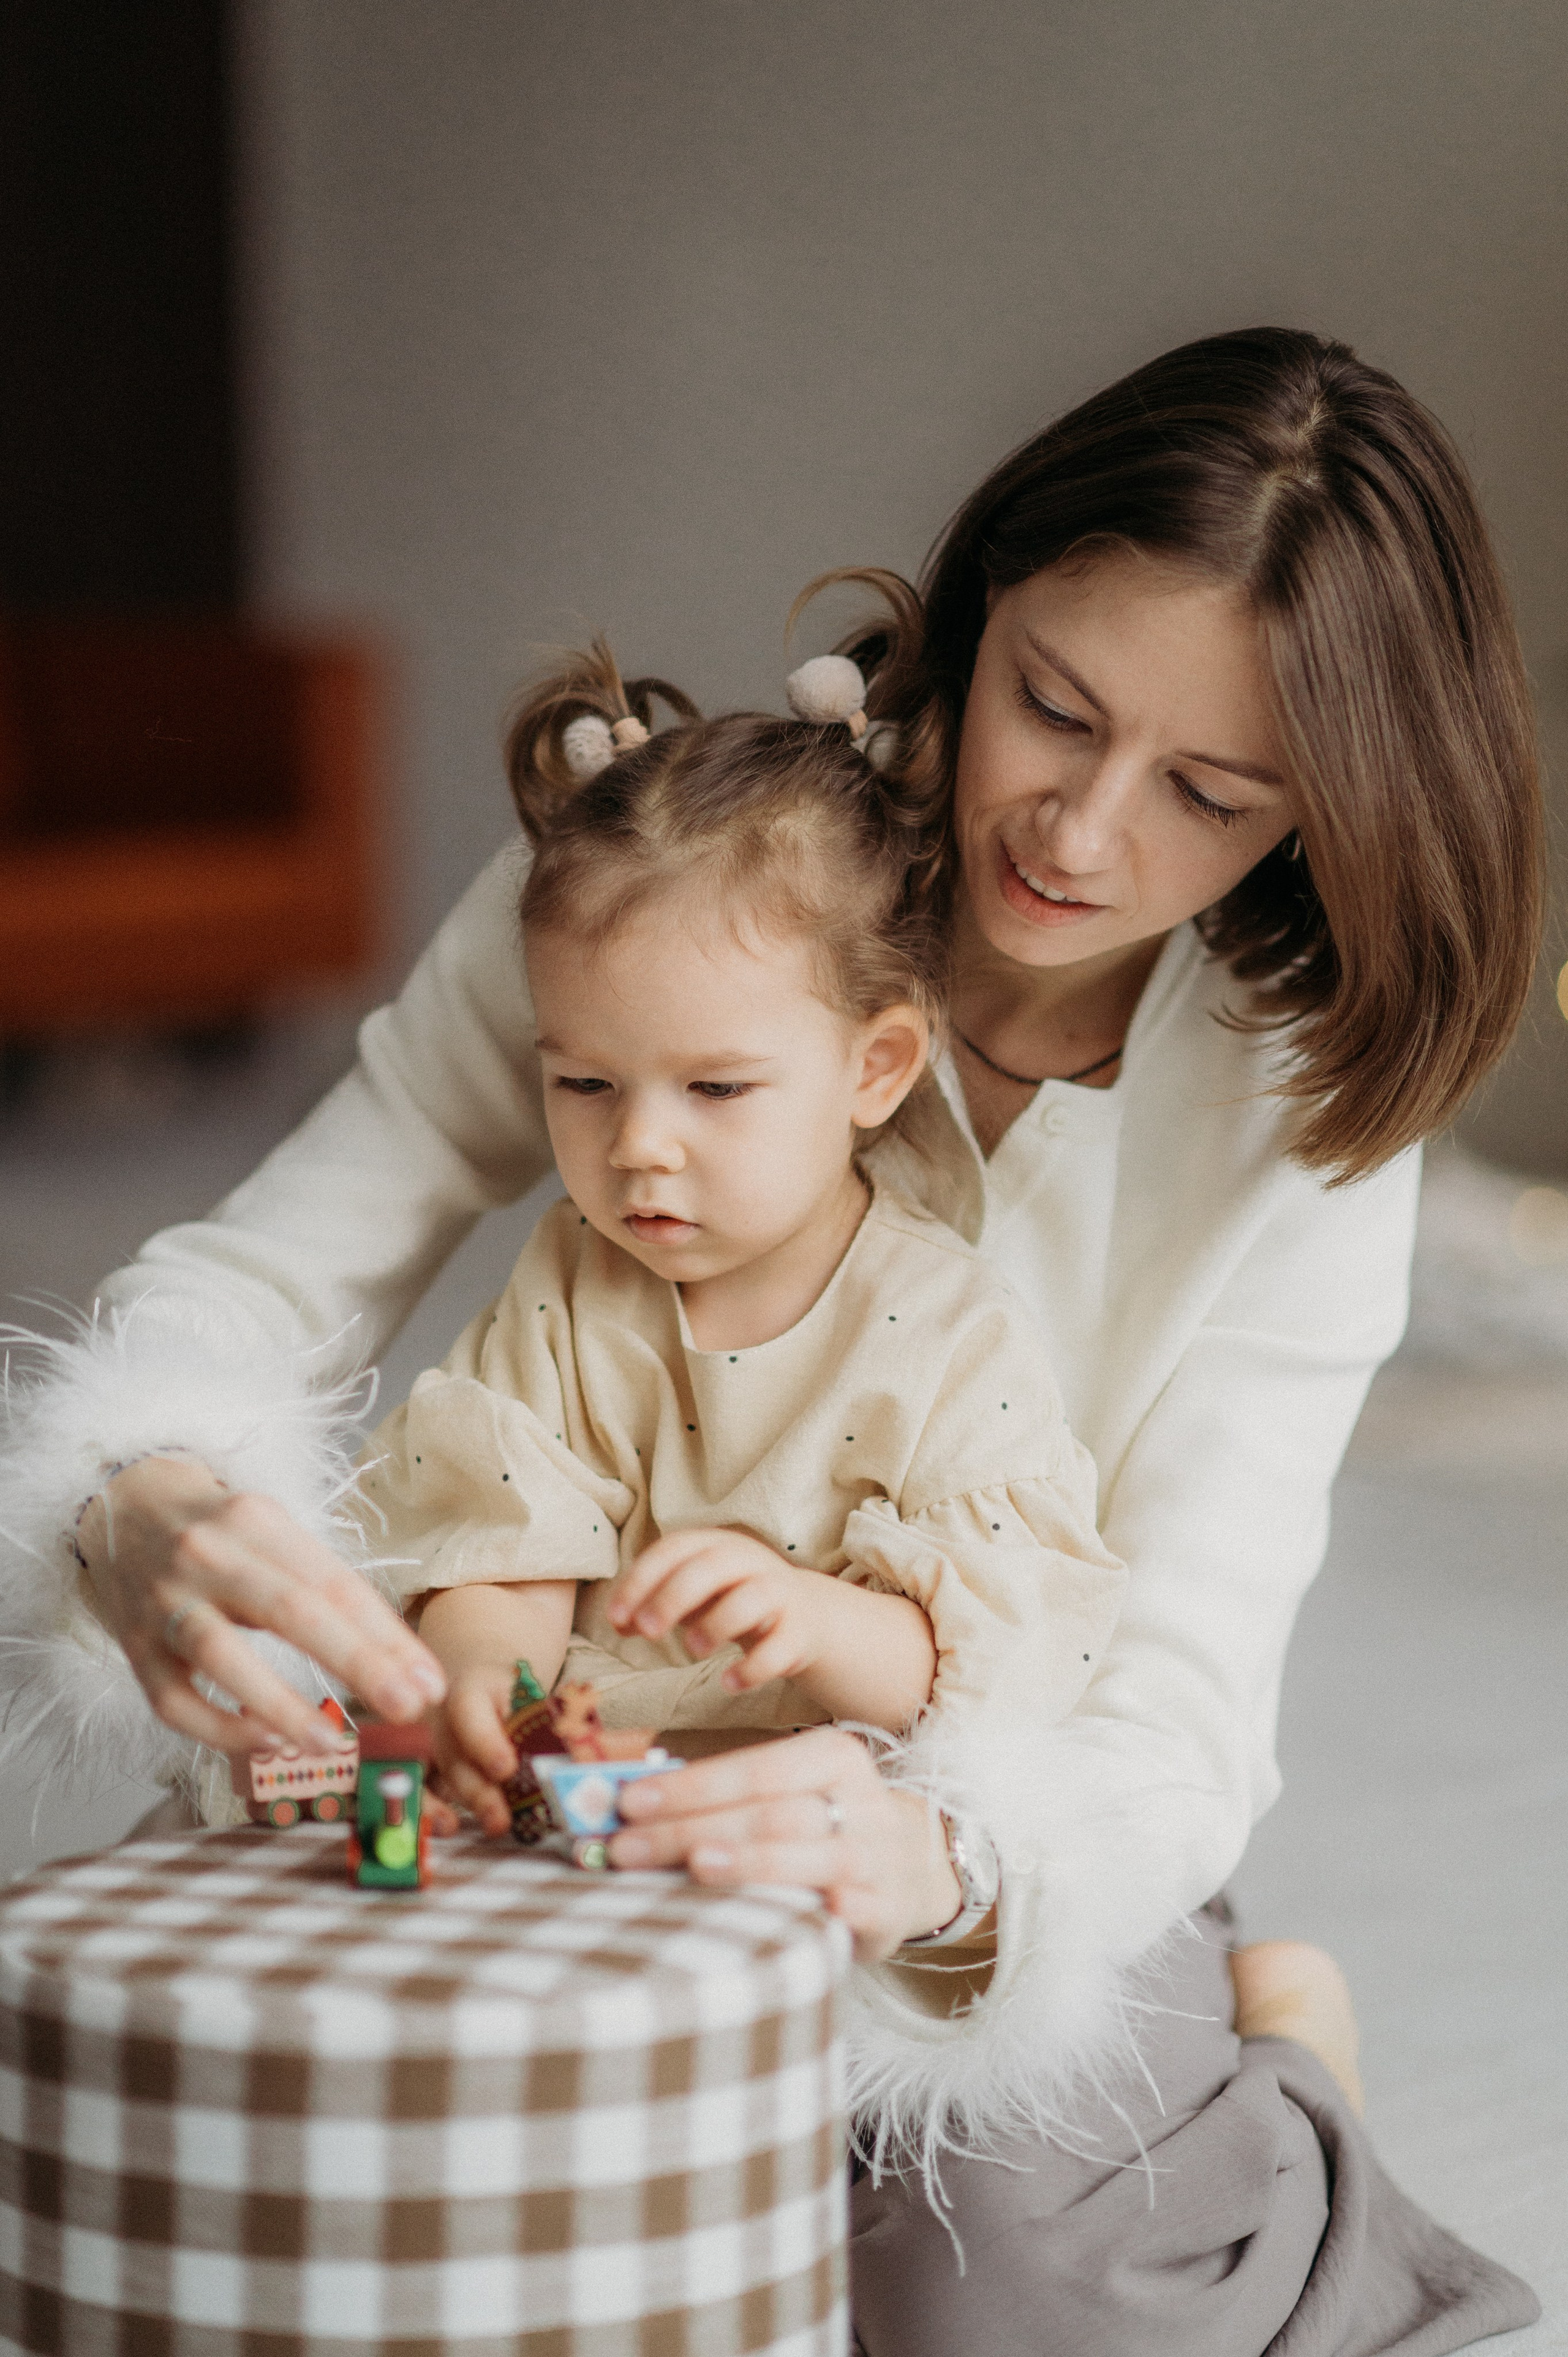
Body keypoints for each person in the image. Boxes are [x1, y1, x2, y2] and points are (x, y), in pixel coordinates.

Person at [0, 327, 1543, 2353]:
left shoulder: (1304, 1110)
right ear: (979, 609)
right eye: (1053, 706)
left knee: (1004, 2291)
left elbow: (1180, 1684)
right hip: (572, 1733)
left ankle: (1287, 2066)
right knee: (249, 2135)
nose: (1080, 834)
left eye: (1208, 792)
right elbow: (284, 1257)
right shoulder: (675, 871)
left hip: (964, 1788)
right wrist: (141, 1483)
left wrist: (945, 1857)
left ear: (1319, 808)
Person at [355, 632, 1124, 1860]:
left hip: (805, 1826)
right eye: (586, 1082)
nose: (638, 1147)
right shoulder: (574, 1284)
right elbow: (504, 1541)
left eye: (714, 1088)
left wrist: (813, 1621)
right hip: (589, 1797)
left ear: (873, 1067)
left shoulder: (945, 1332)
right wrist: (487, 1687)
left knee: (1149, 1961)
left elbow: (995, 1663)